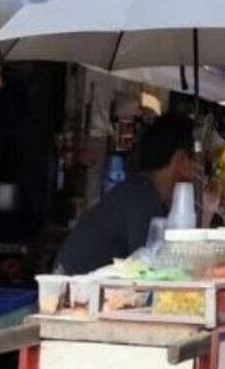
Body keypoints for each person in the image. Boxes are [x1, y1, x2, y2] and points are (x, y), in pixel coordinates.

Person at [56, 113, 199, 274]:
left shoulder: (143, 193)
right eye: (194, 159)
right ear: (181, 159)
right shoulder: (142, 199)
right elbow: (154, 271)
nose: (196, 170)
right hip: (74, 293)